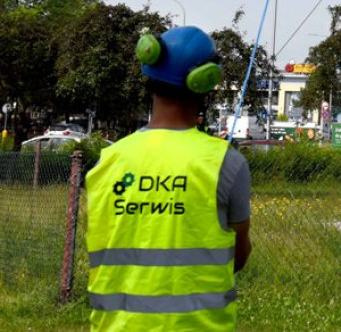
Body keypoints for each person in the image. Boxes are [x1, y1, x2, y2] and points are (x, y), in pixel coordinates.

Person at [86, 26, 251, 331]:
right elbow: (237, 257)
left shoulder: (107, 162)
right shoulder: (227, 163)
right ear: (205, 83)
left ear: (148, 80)